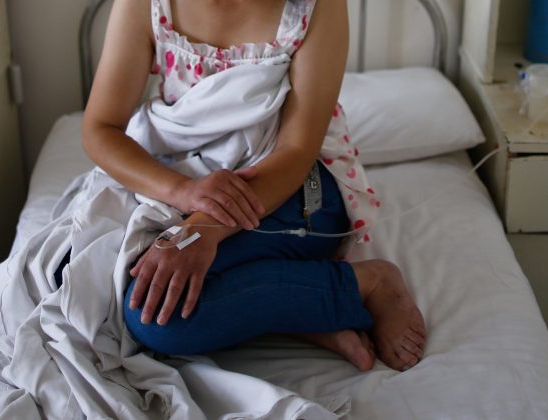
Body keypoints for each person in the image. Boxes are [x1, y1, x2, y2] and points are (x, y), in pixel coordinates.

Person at [81, 0, 426, 372]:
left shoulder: (316, 7)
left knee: (159, 320)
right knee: (93, 283)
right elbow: (101, 128)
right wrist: (182, 191)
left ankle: (369, 284)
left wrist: (201, 229)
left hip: (291, 185)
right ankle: (296, 318)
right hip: (186, 175)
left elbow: (296, 150)